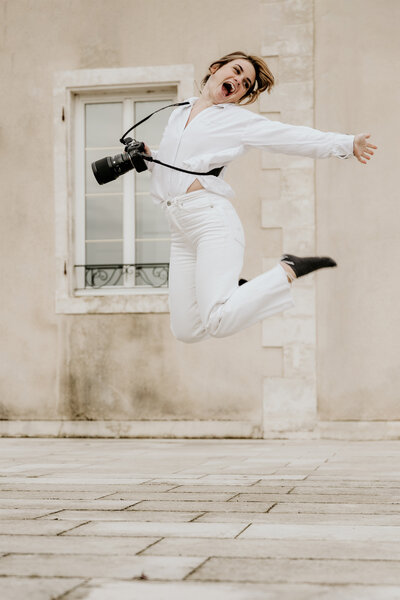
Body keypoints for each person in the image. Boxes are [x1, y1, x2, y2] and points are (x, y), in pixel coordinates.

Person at [144, 51, 377, 344]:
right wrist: (148, 157)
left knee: (217, 320)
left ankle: (287, 270)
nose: (239, 81)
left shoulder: (234, 120)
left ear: (241, 95)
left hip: (209, 221)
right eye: (237, 71)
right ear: (216, 69)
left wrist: (345, 143)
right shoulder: (180, 111)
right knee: (186, 329)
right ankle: (242, 291)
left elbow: (289, 137)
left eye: (246, 83)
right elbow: (175, 163)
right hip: (179, 229)